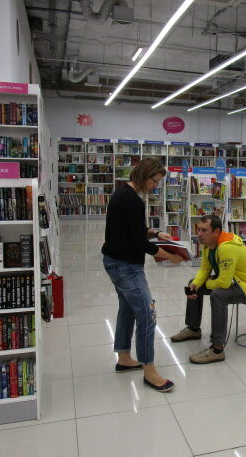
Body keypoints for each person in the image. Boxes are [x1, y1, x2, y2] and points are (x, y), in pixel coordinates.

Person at [102, 158, 183, 392]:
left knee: (127, 309)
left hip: (115, 261)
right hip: (127, 266)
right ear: (144, 176)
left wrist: (156, 233)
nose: (155, 186)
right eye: (154, 181)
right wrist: (171, 256)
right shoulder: (133, 201)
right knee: (148, 315)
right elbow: (140, 243)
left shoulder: (123, 194)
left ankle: (124, 358)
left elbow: (130, 230)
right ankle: (150, 371)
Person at [170, 215, 246, 364]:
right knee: (193, 283)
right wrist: (196, 284)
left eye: (204, 230)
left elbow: (224, 283)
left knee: (218, 295)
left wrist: (208, 283)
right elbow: (205, 269)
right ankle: (193, 329)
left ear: (216, 232)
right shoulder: (208, 245)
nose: (199, 234)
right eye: (198, 230)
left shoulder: (226, 247)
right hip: (236, 281)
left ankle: (217, 349)